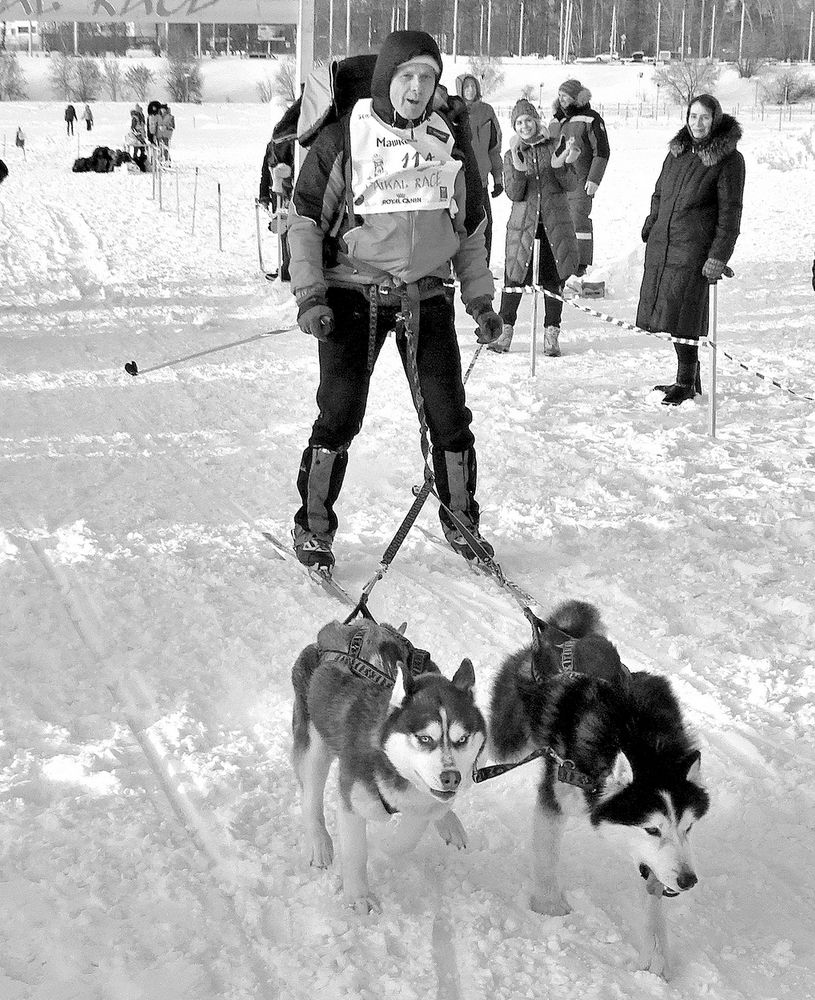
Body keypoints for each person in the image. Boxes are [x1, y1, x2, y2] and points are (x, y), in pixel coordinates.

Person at [286, 30, 502, 572]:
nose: (417, 86)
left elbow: (472, 228)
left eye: (428, 76)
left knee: (449, 417)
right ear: (387, 78)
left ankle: (462, 523)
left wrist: (480, 302)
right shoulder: (346, 137)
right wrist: (310, 295)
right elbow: (307, 219)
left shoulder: (447, 141)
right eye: (407, 75)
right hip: (350, 295)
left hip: (424, 296)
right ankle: (312, 528)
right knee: (339, 413)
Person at [637, 94, 745, 406]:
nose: (697, 123)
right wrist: (651, 223)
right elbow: (659, 193)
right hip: (664, 243)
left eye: (705, 118)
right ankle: (689, 379)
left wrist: (718, 255)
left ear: (716, 119)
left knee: (684, 314)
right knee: (670, 313)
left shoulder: (729, 160)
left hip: (694, 248)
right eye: (693, 116)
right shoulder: (677, 152)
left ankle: (685, 383)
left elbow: (730, 214)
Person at [490, 98, 580, 358]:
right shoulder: (510, 155)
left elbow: (571, 184)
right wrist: (518, 164)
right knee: (514, 278)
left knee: (554, 280)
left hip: (554, 224)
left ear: (536, 120)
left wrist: (562, 163)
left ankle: (552, 333)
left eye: (528, 120)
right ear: (514, 127)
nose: (525, 126)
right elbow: (514, 193)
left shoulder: (555, 146)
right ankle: (505, 330)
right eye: (519, 122)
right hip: (523, 226)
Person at [548, 79, 610, 277]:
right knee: (558, 220)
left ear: (576, 97)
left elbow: (602, 150)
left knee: (578, 219)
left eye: (566, 96)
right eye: (560, 95)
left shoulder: (591, 119)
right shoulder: (556, 121)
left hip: (581, 180)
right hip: (558, 180)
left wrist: (594, 179)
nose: (562, 99)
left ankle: (580, 266)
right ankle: (557, 261)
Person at [454, 72, 503, 264]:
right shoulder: (454, 112)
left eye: (473, 86)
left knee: (485, 225)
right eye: (466, 87)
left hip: (481, 182)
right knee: (459, 226)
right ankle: (457, 268)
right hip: (459, 182)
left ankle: (483, 266)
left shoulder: (486, 111)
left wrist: (498, 178)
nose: (471, 90)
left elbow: (494, 148)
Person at [258, 98, 298, 281]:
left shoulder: (293, 141)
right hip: (278, 194)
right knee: (282, 230)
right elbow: (265, 171)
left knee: (292, 230)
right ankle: (285, 265)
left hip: (291, 192)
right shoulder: (272, 143)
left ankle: (292, 266)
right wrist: (264, 195)